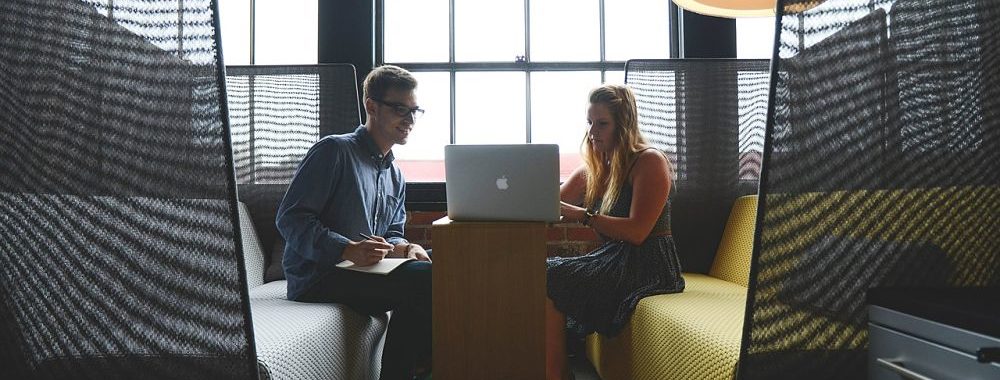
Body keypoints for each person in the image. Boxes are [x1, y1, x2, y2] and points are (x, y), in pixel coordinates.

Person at [275, 65, 432, 380]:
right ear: (371, 106)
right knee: (428, 280)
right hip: (319, 276)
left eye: (415, 111)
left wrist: (405, 247)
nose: (410, 120)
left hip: (364, 273)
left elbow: (392, 233)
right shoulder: (334, 150)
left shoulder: (395, 175)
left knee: (444, 271)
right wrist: (346, 249)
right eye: (400, 109)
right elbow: (290, 218)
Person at [545, 84, 685, 380]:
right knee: (542, 272)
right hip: (614, 258)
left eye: (602, 124)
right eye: (589, 122)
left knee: (550, 275)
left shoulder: (648, 161)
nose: (592, 132)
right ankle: (556, 370)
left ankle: (555, 373)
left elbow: (637, 232)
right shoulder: (595, 168)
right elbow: (548, 205)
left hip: (650, 264)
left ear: (623, 125)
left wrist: (583, 216)